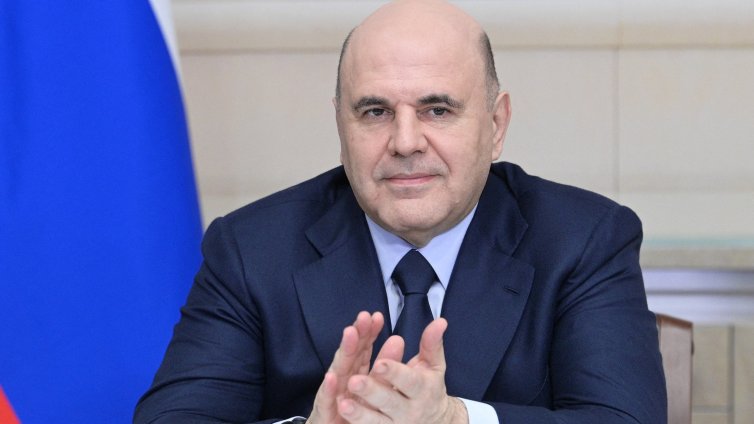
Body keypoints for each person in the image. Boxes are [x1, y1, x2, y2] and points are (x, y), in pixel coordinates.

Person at [134, 0, 667, 423]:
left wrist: (456, 421)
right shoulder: (251, 249)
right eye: (375, 111)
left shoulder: (583, 239)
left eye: (437, 109)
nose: (405, 141)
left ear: (496, 125)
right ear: (341, 126)